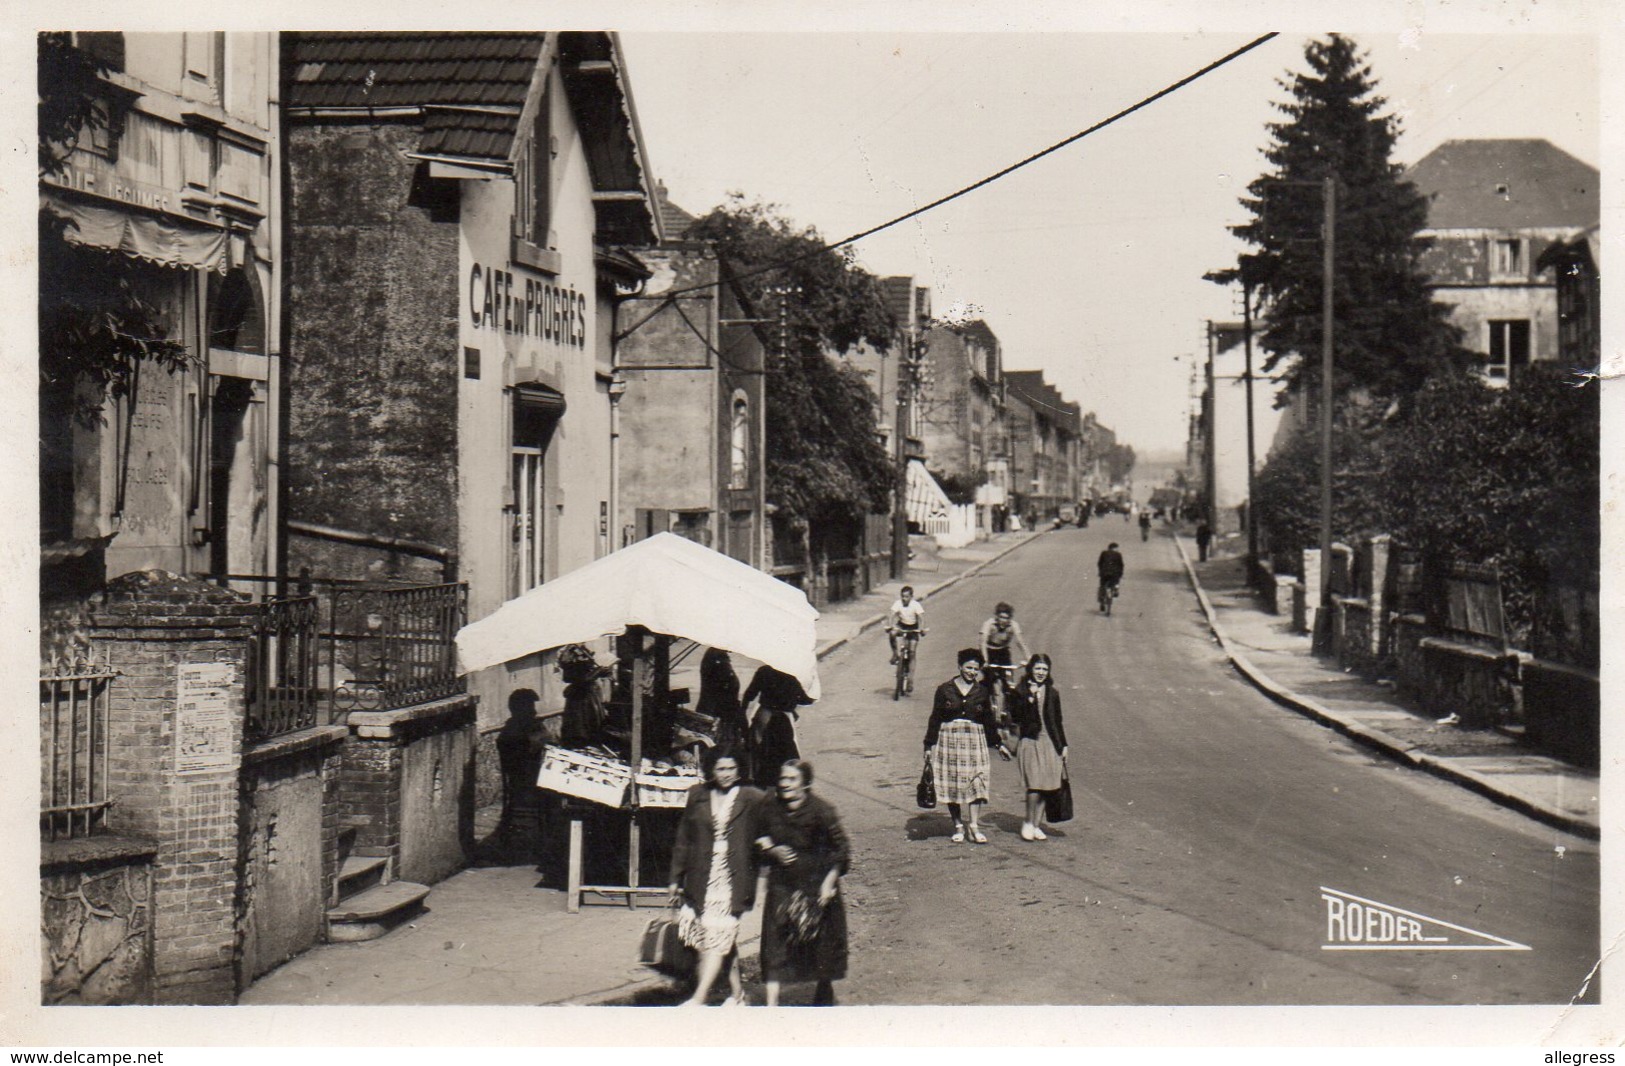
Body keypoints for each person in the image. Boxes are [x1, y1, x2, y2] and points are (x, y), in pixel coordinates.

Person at [669, 746, 763, 1006]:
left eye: (731, 768)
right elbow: (683, 839)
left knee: (716, 935)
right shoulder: (697, 795)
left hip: (732, 879)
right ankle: (738, 996)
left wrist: (768, 844)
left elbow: (773, 823)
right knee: (719, 935)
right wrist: (675, 879)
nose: (726, 774)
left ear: (739, 769)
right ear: (711, 769)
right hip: (701, 877)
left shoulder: (752, 797)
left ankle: (699, 998)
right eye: (721, 768)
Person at [756, 759, 850, 1006]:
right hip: (782, 884)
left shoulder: (822, 811)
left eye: (792, 779)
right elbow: (759, 836)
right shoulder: (770, 806)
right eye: (783, 778)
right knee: (774, 943)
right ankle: (772, 1004)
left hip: (816, 884)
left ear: (805, 784)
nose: (785, 784)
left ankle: (823, 989)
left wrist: (829, 882)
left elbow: (841, 850)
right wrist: (772, 850)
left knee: (821, 946)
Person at [924, 648, 1012, 844]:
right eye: (968, 667)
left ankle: (973, 825)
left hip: (975, 741)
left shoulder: (982, 692)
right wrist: (928, 746)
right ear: (959, 667)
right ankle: (957, 825)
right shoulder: (944, 689)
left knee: (977, 781)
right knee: (952, 784)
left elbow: (988, 721)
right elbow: (935, 718)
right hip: (949, 740)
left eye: (976, 669)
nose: (972, 672)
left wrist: (998, 744)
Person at [1008, 654, 1068, 841]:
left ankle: (1036, 824)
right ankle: (1027, 821)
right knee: (1034, 785)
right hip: (1030, 741)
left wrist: (1064, 745)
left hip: (1050, 742)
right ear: (1031, 669)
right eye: (1037, 668)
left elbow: (1057, 721)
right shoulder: (1020, 690)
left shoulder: (1053, 693)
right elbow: (1016, 717)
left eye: (1044, 669)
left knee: (1047, 786)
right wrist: (1030, 698)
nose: (1041, 673)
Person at [742, 665, 811, 789]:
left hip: (764, 715)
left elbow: (750, 694)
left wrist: (743, 710)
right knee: (786, 749)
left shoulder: (764, 670)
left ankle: (760, 779)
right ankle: (784, 780)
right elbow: (804, 699)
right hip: (783, 717)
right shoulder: (791, 672)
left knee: (760, 747)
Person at [979, 602, 1031, 715]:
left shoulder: (1013, 625)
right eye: (1001, 617)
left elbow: (1020, 642)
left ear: (1010, 618)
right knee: (988, 681)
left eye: (1006, 618)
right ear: (996, 616)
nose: (1003, 620)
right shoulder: (989, 624)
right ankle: (986, 707)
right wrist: (985, 660)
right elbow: (982, 643)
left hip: (1003, 652)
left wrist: (1029, 659)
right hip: (989, 652)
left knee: (1008, 683)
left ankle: (1006, 710)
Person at [696, 648, 745, 753]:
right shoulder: (719, 660)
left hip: (717, 712)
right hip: (720, 715)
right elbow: (725, 689)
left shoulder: (716, 657)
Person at [886, 585, 926, 665]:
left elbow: (921, 618)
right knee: (892, 633)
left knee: (912, 651)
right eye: (903, 596)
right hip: (902, 625)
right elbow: (892, 615)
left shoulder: (916, 605)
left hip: (913, 627)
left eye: (907, 597)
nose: (904, 599)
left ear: (911, 596)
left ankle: (910, 674)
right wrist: (890, 626)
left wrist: (922, 629)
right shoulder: (898, 603)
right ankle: (895, 654)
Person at [1097, 542, 1125, 608]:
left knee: (1102, 586)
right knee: (1116, 581)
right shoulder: (1118, 554)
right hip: (1114, 574)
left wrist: (1100, 571)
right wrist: (1121, 573)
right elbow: (1121, 565)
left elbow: (1100, 563)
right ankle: (1116, 588)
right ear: (1115, 548)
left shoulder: (1104, 553)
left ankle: (1101, 599)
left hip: (1104, 573)